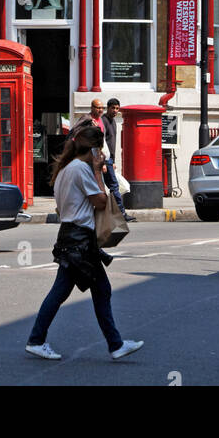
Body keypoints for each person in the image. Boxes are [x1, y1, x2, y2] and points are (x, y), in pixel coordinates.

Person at [25, 125, 143, 363]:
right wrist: (99, 172)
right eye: (99, 152)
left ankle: (114, 343)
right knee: (86, 291)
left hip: (70, 236)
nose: (100, 157)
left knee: (85, 291)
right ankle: (114, 345)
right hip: (79, 240)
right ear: (93, 150)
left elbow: (61, 207)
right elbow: (100, 201)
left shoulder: (65, 169)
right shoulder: (81, 169)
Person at [101, 98, 132, 222]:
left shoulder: (113, 122)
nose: (115, 110)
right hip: (104, 160)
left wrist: (113, 161)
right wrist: (104, 162)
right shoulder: (103, 121)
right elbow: (102, 143)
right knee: (114, 186)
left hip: (109, 161)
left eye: (117, 108)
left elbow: (112, 143)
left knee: (111, 187)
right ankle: (121, 214)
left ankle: (113, 213)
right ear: (107, 108)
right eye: (113, 108)